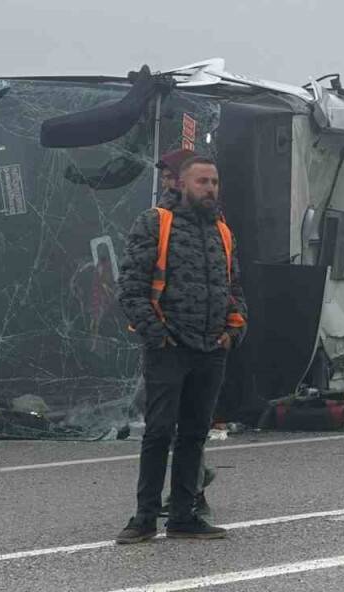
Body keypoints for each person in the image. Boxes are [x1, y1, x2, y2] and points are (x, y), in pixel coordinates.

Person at [115, 156, 248, 544]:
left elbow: (234, 286)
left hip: (211, 348)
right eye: (203, 181)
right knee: (158, 432)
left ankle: (184, 516)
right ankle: (143, 518)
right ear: (182, 185)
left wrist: (233, 331)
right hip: (169, 348)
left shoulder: (222, 231)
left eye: (215, 182)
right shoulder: (155, 222)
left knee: (194, 434)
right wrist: (158, 336)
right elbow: (131, 287)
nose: (210, 188)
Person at [151, 147, 219, 519]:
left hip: (193, 338)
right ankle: (191, 485)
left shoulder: (200, 220)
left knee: (185, 422)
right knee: (164, 420)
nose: (164, 180)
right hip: (164, 335)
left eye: (169, 174)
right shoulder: (159, 217)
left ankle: (192, 489)